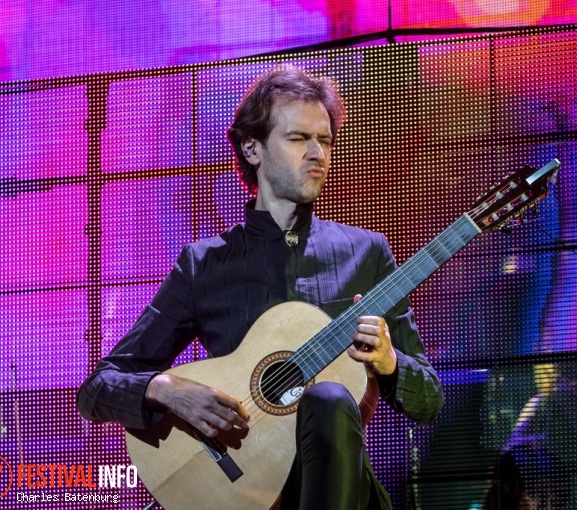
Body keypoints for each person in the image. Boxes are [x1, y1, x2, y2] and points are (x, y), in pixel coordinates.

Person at [76, 66, 443, 509]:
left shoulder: (366, 254)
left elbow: (429, 401)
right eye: (298, 138)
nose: (317, 154)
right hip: (241, 486)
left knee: (328, 397)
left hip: (339, 488)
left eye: (324, 141)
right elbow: (98, 388)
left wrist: (389, 361)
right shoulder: (205, 264)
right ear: (252, 148)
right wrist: (167, 389)